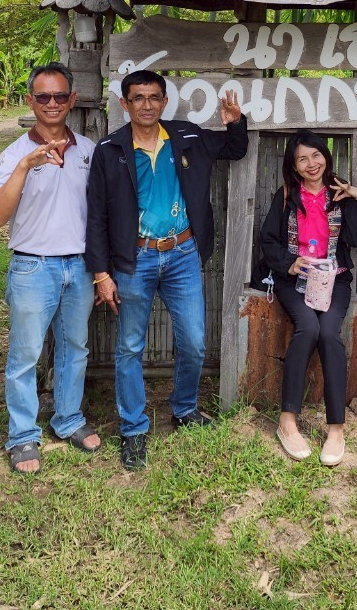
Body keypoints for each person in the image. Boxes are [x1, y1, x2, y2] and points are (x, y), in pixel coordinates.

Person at [86, 70, 248, 471]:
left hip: (181, 254)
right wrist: (101, 273)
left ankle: (184, 409)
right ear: (124, 104)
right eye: (137, 98)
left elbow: (234, 149)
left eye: (153, 97)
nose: (146, 104)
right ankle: (133, 429)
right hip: (133, 260)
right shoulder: (110, 149)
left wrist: (235, 123)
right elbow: (95, 216)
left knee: (193, 341)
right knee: (129, 347)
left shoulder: (187, 136)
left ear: (164, 102)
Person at [0, 62, 99, 475]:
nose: (51, 104)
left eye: (59, 96)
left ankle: (67, 418)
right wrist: (25, 167)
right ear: (30, 101)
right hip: (33, 267)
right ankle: (21, 435)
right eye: (42, 97)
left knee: (75, 348)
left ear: (71, 100)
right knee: (25, 355)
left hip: (80, 266)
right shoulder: (15, 154)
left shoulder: (88, 150)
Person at [259, 131, 357, 467]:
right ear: (293, 165)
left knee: (329, 335)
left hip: (333, 281)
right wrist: (289, 263)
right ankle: (287, 421)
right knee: (307, 328)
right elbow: (268, 240)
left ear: (326, 156)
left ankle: (336, 428)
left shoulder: (340, 194)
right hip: (295, 281)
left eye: (316, 155)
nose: (311, 164)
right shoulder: (285, 197)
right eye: (302, 159)